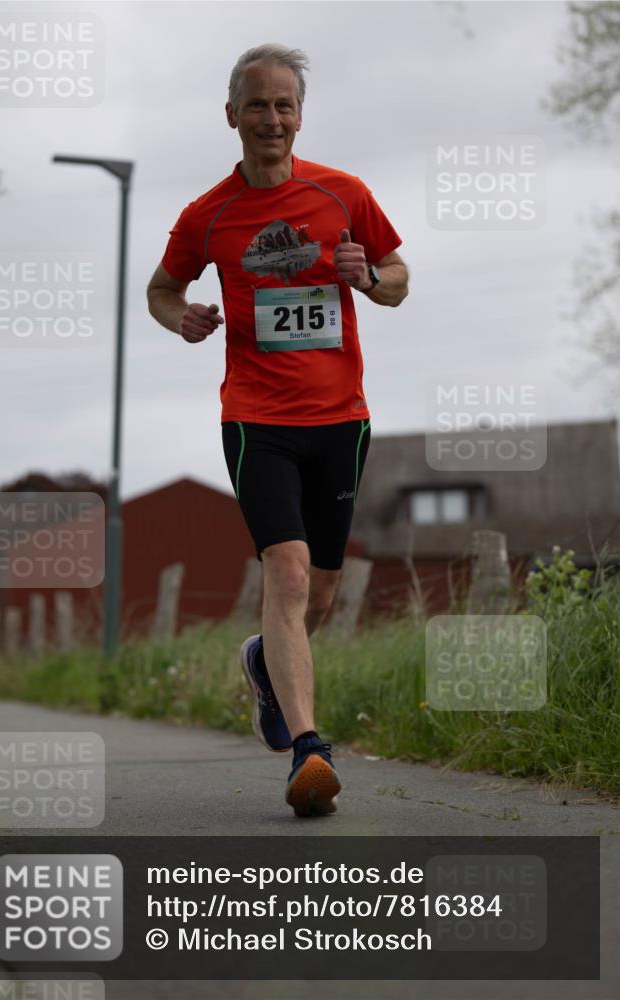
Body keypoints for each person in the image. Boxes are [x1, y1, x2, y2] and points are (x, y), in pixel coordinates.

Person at [147, 43, 409, 817]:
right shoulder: (208, 215)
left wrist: (366, 276)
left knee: (320, 590)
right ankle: (308, 750)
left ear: (299, 116)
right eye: (256, 104)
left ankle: (263, 663)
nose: (271, 118)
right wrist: (181, 318)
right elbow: (162, 289)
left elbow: (397, 279)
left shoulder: (343, 193)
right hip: (254, 418)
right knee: (287, 572)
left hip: (340, 420)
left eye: (284, 104)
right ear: (232, 116)